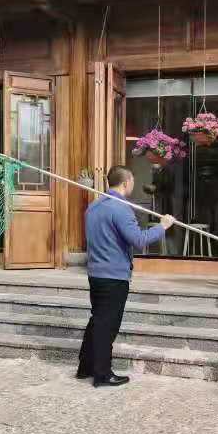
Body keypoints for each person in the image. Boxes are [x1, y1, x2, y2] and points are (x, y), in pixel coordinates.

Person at [78, 165, 175, 388]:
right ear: (125, 183)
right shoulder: (121, 208)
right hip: (114, 276)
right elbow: (139, 240)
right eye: (132, 181)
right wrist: (162, 226)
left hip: (96, 273)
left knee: (97, 320)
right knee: (107, 325)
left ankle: (85, 367)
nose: (133, 184)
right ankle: (102, 374)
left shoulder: (93, 206)